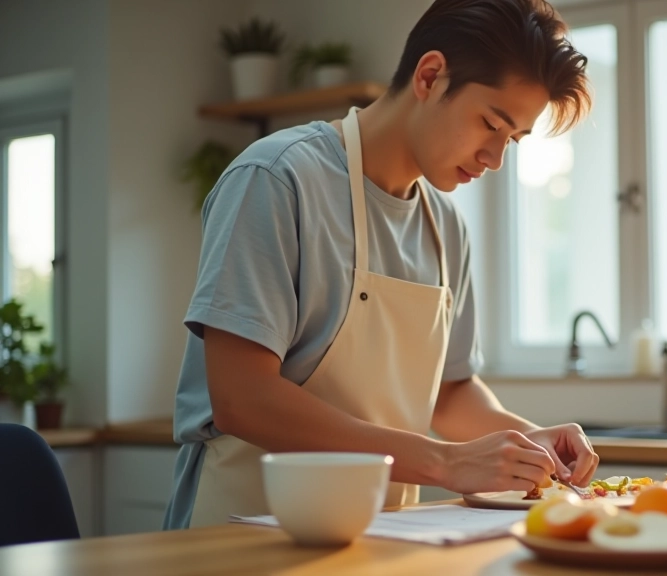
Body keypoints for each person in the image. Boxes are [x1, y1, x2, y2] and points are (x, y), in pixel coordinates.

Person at [164, 0, 597, 530]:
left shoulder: (446, 227)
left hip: (383, 540)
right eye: (490, 123)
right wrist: (444, 461)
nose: (495, 159)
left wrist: (532, 442)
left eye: (512, 140)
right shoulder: (276, 180)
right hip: (241, 535)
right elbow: (242, 398)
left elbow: (450, 391)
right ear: (430, 75)